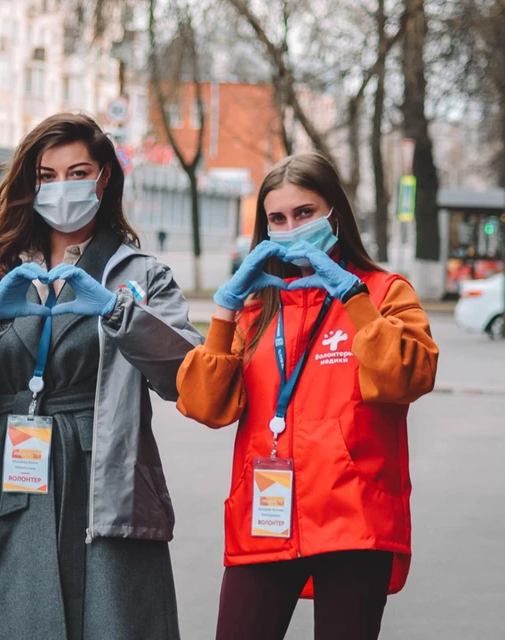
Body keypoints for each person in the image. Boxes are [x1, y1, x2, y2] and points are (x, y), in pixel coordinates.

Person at [0, 113, 203, 640]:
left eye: (78, 172)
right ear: (29, 183)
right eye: (46, 176)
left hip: (109, 479)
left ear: (104, 176)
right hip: (18, 475)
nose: (62, 187)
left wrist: (118, 312)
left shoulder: (142, 274)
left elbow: (188, 375)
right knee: (23, 624)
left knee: (119, 623)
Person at [176, 152, 439, 640]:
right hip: (265, 517)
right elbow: (204, 406)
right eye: (278, 218)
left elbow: (409, 377)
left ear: (334, 214)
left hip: (353, 520)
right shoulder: (257, 309)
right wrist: (224, 310)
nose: (292, 227)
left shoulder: (384, 293)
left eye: (305, 213)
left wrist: (354, 298)